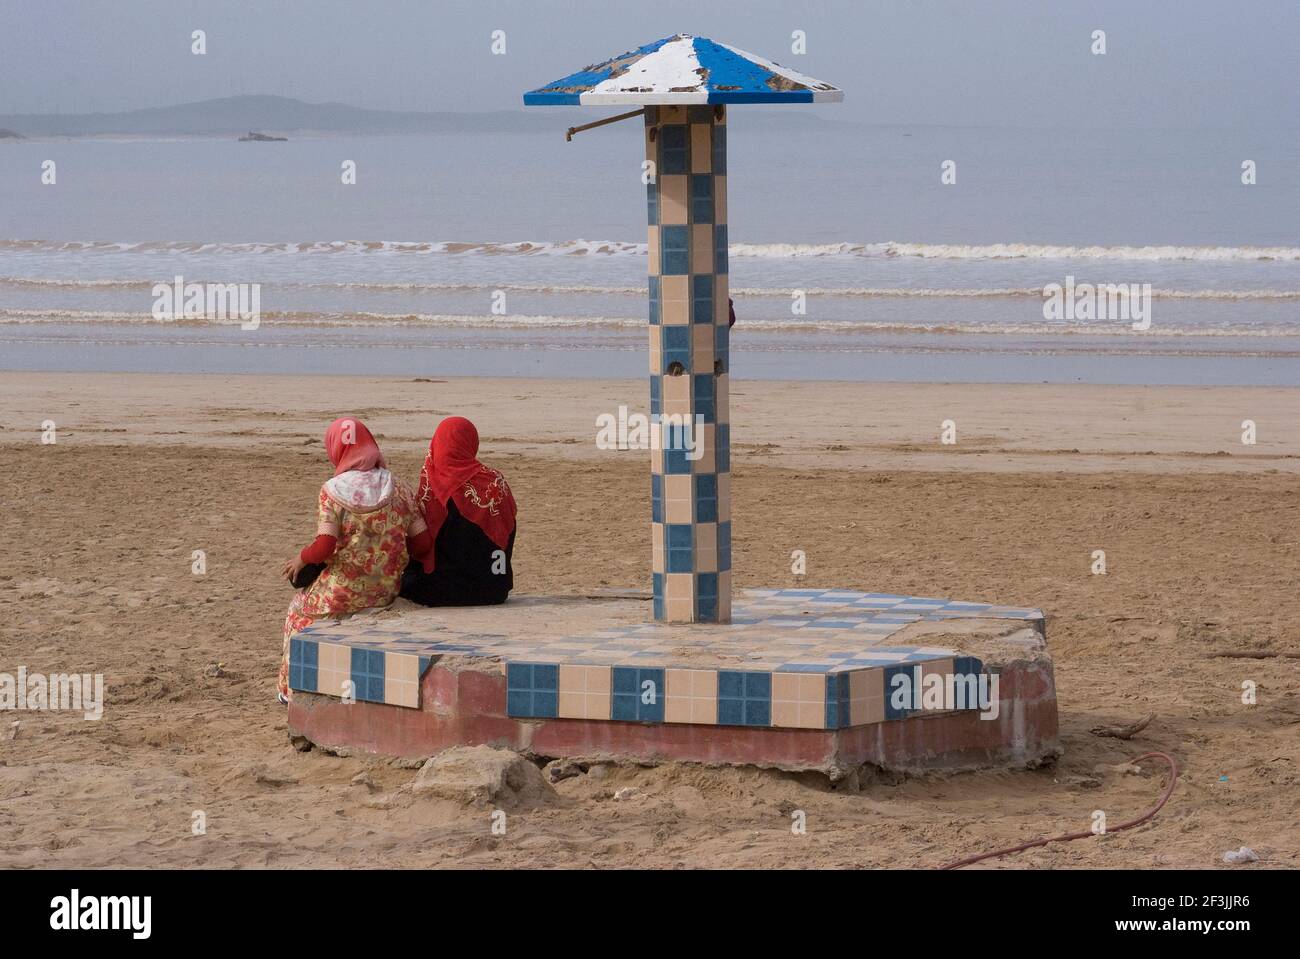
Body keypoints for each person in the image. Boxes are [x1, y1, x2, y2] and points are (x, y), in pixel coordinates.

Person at [278, 417, 430, 702]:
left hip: (341, 594)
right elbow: (422, 544)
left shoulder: (332, 491)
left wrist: (301, 558)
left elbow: (324, 546)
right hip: (385, 590)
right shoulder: (401, 488)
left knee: (298, 611)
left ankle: (290, 690)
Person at [400, 416, 517, 607]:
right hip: (495, 588)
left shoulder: (435, 487)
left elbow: (421, 546)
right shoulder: (496, 481)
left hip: (444, 590)